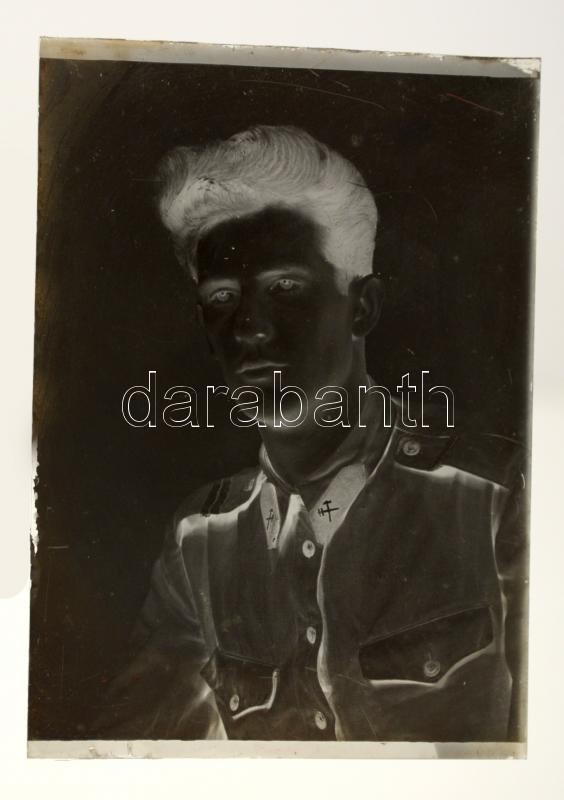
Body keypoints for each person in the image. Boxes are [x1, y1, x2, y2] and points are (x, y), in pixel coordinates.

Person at [99, 126, 527, 743]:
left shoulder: (501, 497)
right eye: (222, 296)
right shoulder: (198, 540)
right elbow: (135, 759)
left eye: (283, 287)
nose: (247, 326)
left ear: (363, 307)